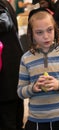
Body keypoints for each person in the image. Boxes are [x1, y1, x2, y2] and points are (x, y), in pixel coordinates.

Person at [17, 8, 59, 130]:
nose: (46, 36)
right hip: (37, 121)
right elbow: (20, 91)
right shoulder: (26, 59)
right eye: (39, 32)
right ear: (31, 34)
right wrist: (33, 88)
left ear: (55, 29)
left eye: (49, 30)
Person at [0, 0, 24, 130]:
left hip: (6, 79)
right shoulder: (5, 4)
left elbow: (4, 24)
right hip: (12, 75)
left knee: (9, 121)